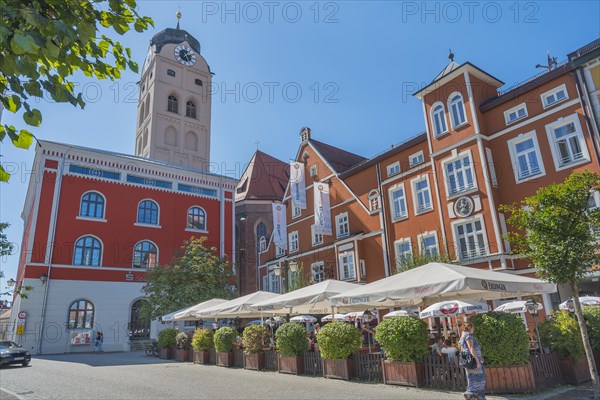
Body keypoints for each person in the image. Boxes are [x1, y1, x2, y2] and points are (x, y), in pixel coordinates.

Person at [460, 322, 486, 400]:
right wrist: (477, 360)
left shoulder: (463, 336)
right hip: (473, 361)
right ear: (470, 327)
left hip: (471, 360)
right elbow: (471, 347)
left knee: (473, 378)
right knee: (480, 378)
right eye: (473, 327)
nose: (474, 329)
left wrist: (479, 356)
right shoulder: (468, 335)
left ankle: (479, 397)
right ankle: (469, 393)